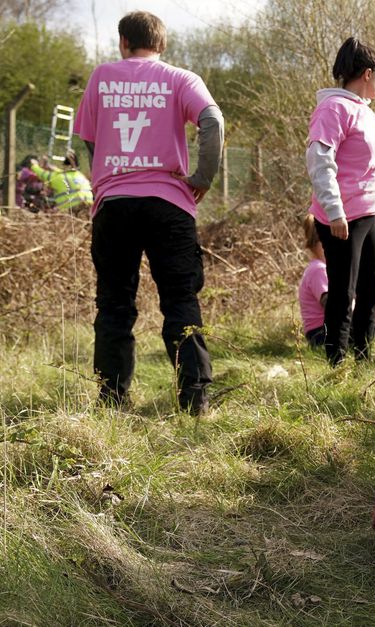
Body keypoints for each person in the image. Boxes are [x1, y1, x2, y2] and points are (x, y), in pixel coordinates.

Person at [74, 11, 224, 413]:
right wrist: (203, 177)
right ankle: (195, 400)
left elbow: (90, 142)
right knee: (180, 300)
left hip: (114, 206)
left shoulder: (101, 77)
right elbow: (213, 121)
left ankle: (112, 400)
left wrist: (106, 178)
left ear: (123, 42)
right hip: (169, 204)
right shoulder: (181, 79)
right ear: (162, 44)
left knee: (114, 304)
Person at [307, 37, 375, 366]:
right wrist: (334, 211)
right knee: (344, 291)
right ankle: (336, 362)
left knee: (373, 289)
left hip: (368, 213)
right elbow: (319, 160)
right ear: (367, 74)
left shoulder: (365, 112)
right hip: (342, 217)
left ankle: (362, 354)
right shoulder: (333, 108)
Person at [298, 216, 375, 349]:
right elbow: (338, 305)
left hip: (342, 325)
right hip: (322, 334)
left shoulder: (334, 268)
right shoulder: (319, 269)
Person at [28, 151, 93, 215]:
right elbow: (63, 173)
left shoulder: (59, 178)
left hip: (72, 208)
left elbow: (42, 174)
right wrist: (53, 168)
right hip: (89, 206)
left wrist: (34, 165)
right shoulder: (79, 175)